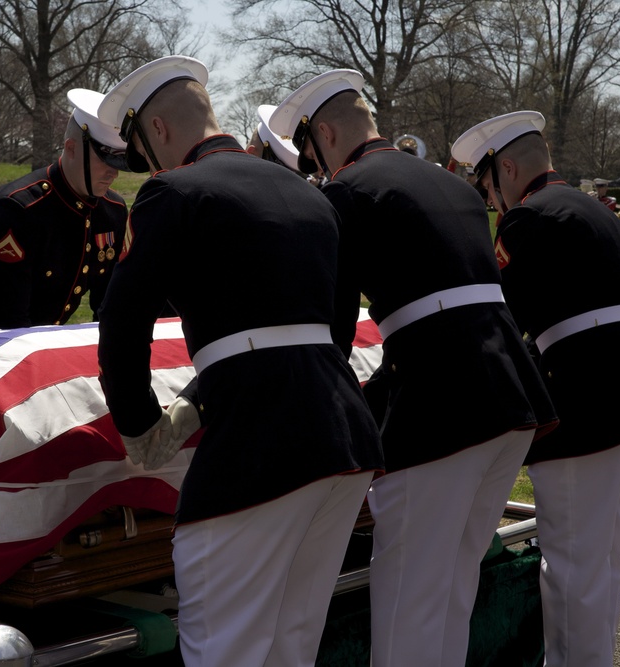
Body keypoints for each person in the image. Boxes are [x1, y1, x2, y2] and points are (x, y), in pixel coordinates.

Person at [94, 56, 384, 667]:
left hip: (257, 447)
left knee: (222, 647)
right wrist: (205, 392)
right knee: (292, 645)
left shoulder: (172, 193)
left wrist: (140, 424)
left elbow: (123, 323)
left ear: (159, 131)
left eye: (143, 146)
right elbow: (323, 332)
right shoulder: (309, 195)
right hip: (343, 438)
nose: (147, 164)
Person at [269, 70, 556, 667]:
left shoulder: (346, 192)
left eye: (311, 150)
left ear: (323, 133)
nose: (315, 165)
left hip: (442, 402)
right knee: (452, 586)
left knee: (409, 594)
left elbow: (334, 322)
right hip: (510, 395)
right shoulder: (447, 182)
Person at [452, 110, 620, 667]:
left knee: (572, 562)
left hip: (585, 398)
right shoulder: (591, 208)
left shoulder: (528, 219)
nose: (492, 200)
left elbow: (506, 320)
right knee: (601, 555)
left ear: (505, 169)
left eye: (487, 186)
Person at [0, 88, 129, 333]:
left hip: (38, 340)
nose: (113, 172)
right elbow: (5, 322)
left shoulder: (112, 212)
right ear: (71, 148)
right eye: (105, 159)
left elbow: (108, 305)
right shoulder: (16, 210)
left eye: (118, 161)